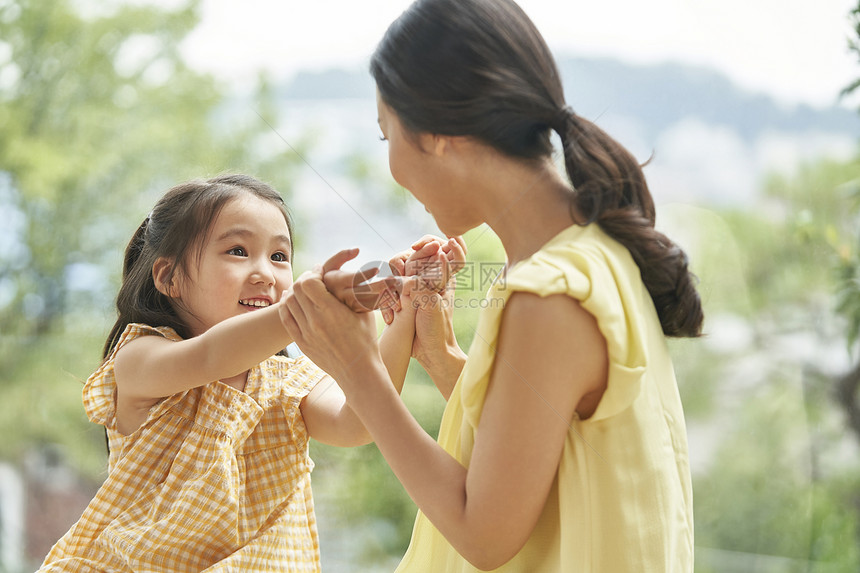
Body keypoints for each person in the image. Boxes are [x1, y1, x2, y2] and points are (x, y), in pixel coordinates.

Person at [280, 0, 705, 571]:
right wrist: (441, 356)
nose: (393, 167)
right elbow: (534, 451)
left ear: (436, 133)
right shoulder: (583, 258)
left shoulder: (550, 295)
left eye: (388, 138)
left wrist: (356, 367)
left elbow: (483, 534)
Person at [37, 174, 417, 572]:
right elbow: (213, 356)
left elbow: (357, 422)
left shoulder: (290, 380)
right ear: (169, 277)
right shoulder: (141, 357)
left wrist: (403, 310)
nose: (265, 274)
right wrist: (312, 306)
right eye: (238, 251)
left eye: (279, 257)